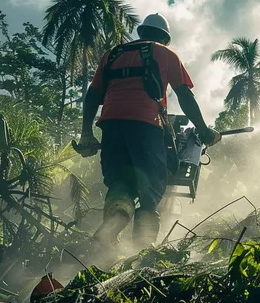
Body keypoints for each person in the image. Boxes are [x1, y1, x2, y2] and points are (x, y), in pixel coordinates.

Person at [76, 13, 221, 250]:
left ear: (141, 32)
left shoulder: (112, 55)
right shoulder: (165, 54)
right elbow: (185, 95)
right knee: (150, 188)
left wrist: (86, 133)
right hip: (146, 125)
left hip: (111, 124)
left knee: (120, 182)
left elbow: (93, 96)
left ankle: (110, 230)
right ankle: (143, 249)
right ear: (164, 38)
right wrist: (204, 131)